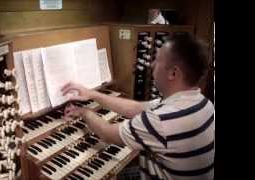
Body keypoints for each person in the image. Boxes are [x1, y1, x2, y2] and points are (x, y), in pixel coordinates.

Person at [61, 34, 214, 180]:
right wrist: (93, 94)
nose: (152, 64)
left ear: (173, 73)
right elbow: (136, 107)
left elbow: (107, 133)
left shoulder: (161, 121)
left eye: (157, 60)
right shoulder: (203, 103)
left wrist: (84, 112)